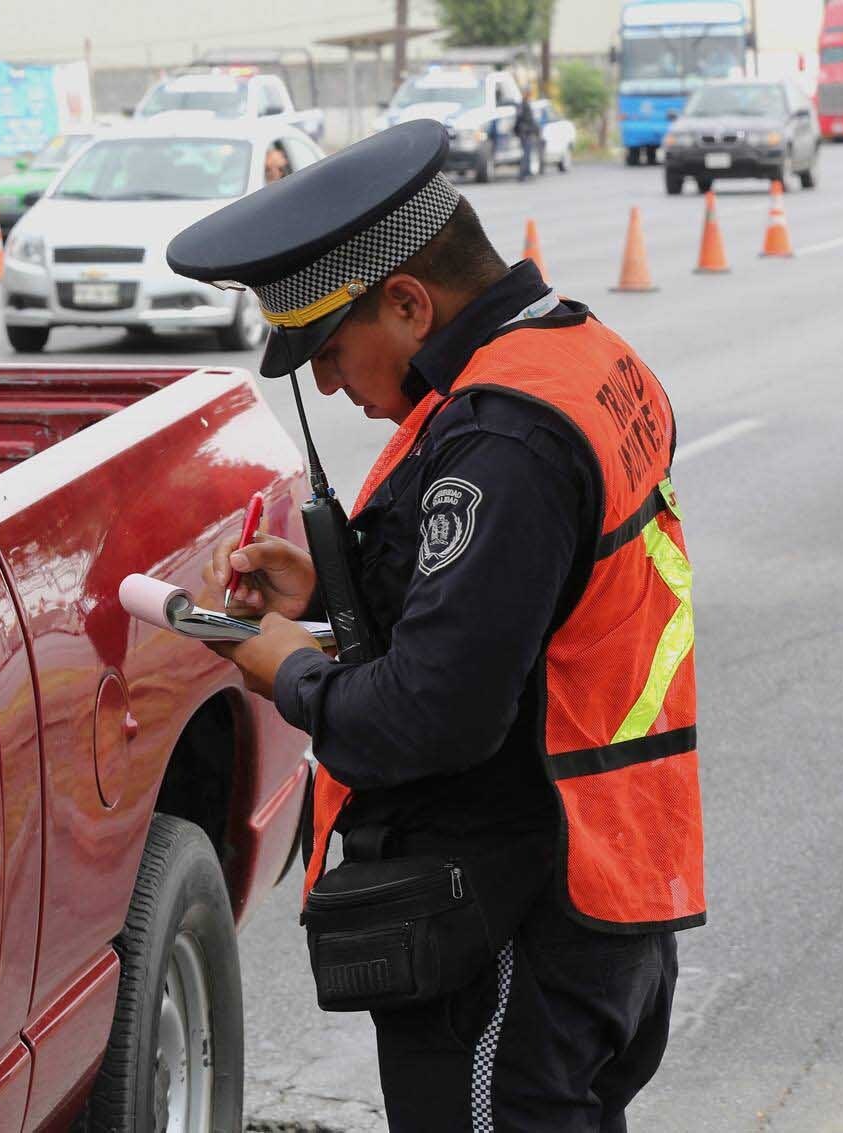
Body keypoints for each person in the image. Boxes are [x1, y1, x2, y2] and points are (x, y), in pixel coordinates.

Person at [166, 120, 704, 1130]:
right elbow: (538, 593)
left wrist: (288, 669)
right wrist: (337, 600)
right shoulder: (577, 349)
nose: (325, 382)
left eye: (328, 349)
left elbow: (432, 716)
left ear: (409, 302)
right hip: (605, 863)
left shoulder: (501, 431)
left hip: (520, 905)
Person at [515, 93, 542, 181]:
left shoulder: (525, 105)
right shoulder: (523, 105)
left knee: (528, 153)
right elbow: (523, 119)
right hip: (525, 133)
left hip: (526, 132)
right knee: (526, 154)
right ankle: (522, 175)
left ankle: (527, 173)